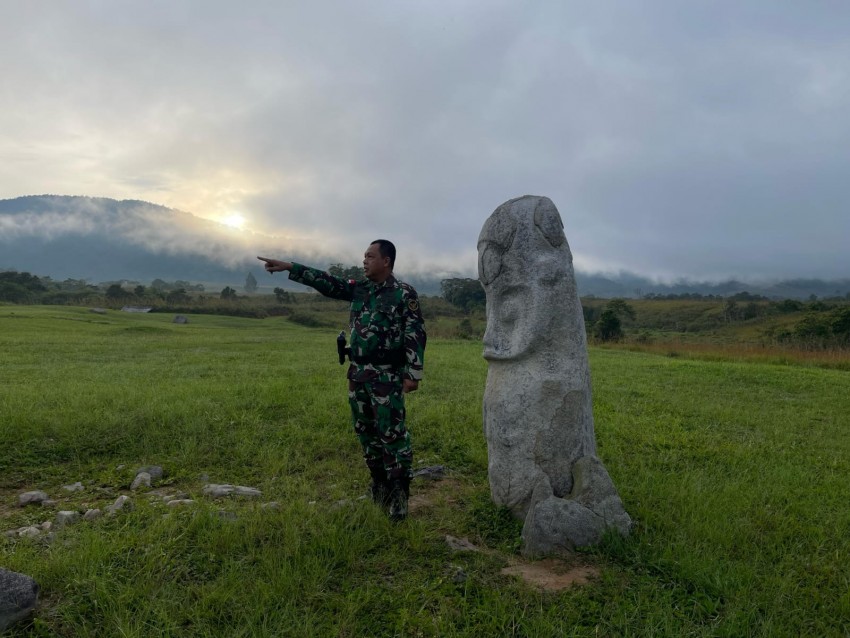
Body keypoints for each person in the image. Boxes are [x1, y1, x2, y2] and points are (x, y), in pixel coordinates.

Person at [257, 240, 426, 521]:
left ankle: (399, 496)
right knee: (366, 432)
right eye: (364, 256)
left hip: (387, 375)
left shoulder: (403, 294)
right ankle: (379, 488)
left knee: (392, 434)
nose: (364, 261)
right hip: (358, 374)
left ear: (386, 261)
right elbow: (328, 282)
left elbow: (415, 332)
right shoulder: (360, 289)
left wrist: (413, 373)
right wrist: (291, 268)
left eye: (370, 256)